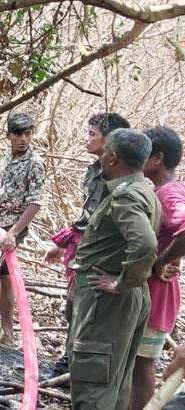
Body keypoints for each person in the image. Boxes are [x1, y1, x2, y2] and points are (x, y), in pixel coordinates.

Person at [67, 129, 160, 410]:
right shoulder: (144, 190)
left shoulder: (126, 197)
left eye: (105, 150)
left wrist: (121, 283)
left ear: (113, 157)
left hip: (106, 302)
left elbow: (144, 244)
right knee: (115, 384)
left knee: (93, 389)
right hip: (126, 298)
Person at [43, 113, 130, 375]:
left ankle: (79, 368)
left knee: (88, 313)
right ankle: (69, 361)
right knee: (74, 308)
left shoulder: (119, 182)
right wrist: (63, 241)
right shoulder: (94, 171)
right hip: (84, 253)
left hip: (101, 259)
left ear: (110, 141)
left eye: (92, 134)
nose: (87, 139)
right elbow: (87, 217)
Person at [0, 113, 46, 354]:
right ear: (8, 136)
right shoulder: (7, 157)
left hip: (14, 227)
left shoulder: (35, 162)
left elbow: (35, 203)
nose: (23, 139)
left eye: (28, 134)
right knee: (4, 277)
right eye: (18, 134)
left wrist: (13, 233)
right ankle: (8, 335)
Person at [130, 127, 185, 410]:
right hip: (151, 292)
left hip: (157, 293)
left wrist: (162, 262)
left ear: (158, 158)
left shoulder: (170, 194)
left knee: (141, 366)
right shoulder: (161, 191)